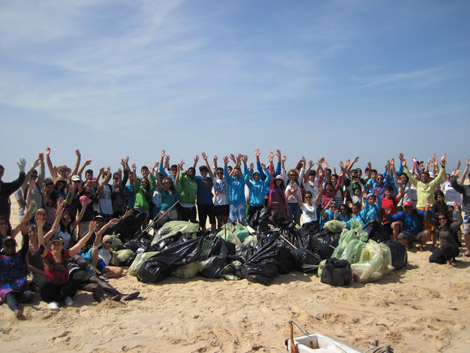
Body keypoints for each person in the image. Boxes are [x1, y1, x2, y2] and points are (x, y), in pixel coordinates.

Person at [37, 215, 97, 309]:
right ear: (51, 246)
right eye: (54, 244)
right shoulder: (47, 255)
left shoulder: (66, 254)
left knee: (73, 283)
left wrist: (90, 232)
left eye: (58, 245)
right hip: (52, 285)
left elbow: (79, 244)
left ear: (62, 246)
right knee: (45, 286)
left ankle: (60, 299)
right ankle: (58, 300)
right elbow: (41, 244)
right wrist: (40, 228)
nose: (56, 246)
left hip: (64, 284)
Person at [68, 255, 139, 303]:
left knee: (94, 287)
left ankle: (104, 302)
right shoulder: (70, 255)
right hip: (77, 272)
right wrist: (88, 265)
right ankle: (120, 295)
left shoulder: (62, 258)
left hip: (71, 280)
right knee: (98, 280)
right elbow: (81, 261)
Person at [0, 230, 33, 319]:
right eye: (7, 245)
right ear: (3, 246)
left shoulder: (19, 255)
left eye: (12, 245)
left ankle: (10, 300)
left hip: (21, 287)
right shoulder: (1, 258)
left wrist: (25, 234)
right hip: (7, 287)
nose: (10, 247)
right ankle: (15, 310)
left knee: (29, 295)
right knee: (10, 295)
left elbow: (25, 247)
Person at [426, 201, 462, 265]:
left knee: (445, 246)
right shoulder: (438, 227)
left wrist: (457, 211)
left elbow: (460, 222)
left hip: (453, 249)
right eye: (440, 219)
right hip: (443, 249)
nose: (442, 220)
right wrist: (427, 207)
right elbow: (427, 219)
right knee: (432, 259)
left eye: (444, 218)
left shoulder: (450, 226)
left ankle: (449, 260)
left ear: (446, 219)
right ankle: (445, 258)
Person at [245, 151, 272, 219]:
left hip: (260, 206)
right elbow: (245, 179)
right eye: (255, 175)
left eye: (257, 175)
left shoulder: (262, 183)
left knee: (260, 221)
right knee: (250, 221)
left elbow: (269, 177)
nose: (256, 176)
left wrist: (265, 169)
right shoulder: (251, 184)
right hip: (252, 206)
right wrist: (249, 170)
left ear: (259, 176)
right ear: (253, 176)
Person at [224, 154, 247, 224]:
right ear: (233, 172)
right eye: (235, 171)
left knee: (242, 221)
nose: (236, 173)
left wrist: (244, 163)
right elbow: (226, 174)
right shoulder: (230, 179)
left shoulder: (242, 180)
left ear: (239, 173)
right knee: (232, 222)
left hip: (241, 203)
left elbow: (246, 174)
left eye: (237, 172)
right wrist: (225, 165)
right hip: (232, 203)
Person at [196, 154, 216, 230]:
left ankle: (213, 233)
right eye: (201, 171)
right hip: (201, 203)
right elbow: (191, 174)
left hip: (210, 203)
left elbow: (212, 172)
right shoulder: (197, 179)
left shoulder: (210, 179)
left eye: (205, 171)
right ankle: (204, 234)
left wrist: (206, 160)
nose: (203, 172)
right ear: (200, 172)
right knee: (202, 222)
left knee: (213, 221)